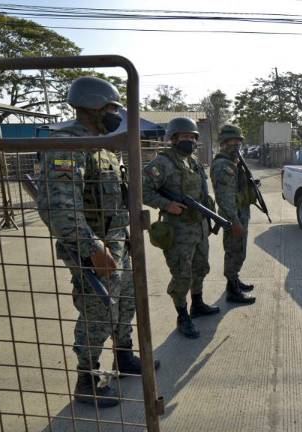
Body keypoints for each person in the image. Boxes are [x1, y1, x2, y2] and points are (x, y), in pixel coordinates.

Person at [36, 76, 159, 408]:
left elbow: (116, 198)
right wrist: (92, 248)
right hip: (94, 249)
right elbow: (58, 207)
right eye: (111, 107)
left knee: (127, 302)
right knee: (98, 310)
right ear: (92, 106)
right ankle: (86, 378)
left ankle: (123, 355)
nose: (116, 114)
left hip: (118, 241)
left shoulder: (103, 146)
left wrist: (129, 232)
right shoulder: (66, 144)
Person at [142, 117, 220, 339]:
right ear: (173, 138)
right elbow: (142, 190)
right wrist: (167, 205)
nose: (189, 140)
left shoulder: (193, 161)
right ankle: (182, 315)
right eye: (184, 136)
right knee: (181, 275)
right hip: (178, 231)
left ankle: (197, 304)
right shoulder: (162, 164)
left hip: (199, 226)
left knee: (200, 268)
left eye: (192, 137)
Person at [210, 125, 256, 305]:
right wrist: (235, 221)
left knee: (240, 251)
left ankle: (235, 280)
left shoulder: (234, 162)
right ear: (223, 143)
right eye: (232, 141)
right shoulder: (223, 165)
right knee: (234, 251)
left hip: (240, 213)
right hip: (233, 216)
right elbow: (225, 197)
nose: (236, 145)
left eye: (238, 141)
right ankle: (232, 290)